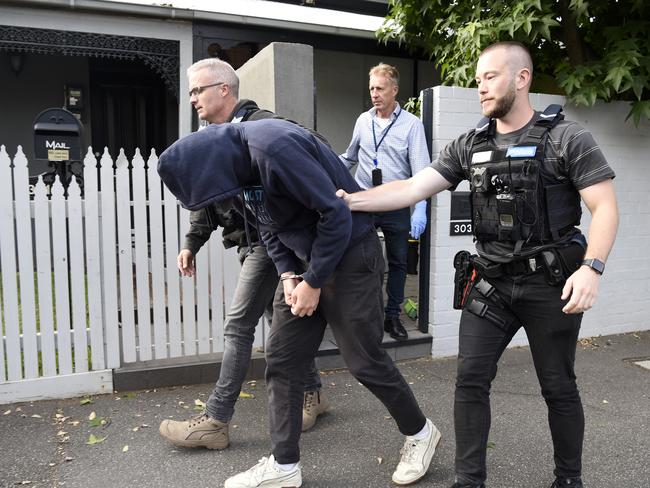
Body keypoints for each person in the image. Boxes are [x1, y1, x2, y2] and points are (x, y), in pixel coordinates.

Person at [336, 41, 618, 488]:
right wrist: (351, 201)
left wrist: (592, 268)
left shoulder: (567, 138)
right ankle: (469, 481)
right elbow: (412, 188)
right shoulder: (470, 143)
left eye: (489, 76)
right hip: (492, 285)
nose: (479, 86)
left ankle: (569, 480)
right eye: (478, 78)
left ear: (521, 79)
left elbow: (604, 208)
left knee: (558, 388)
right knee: (469, 380)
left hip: (550, 285)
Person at [158, 117, 442, 488]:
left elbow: (336, 213)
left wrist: (314, 280)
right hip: (305, 263)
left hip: (351, 253)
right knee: (283, 358)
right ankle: (284, 465)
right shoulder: (233, 169)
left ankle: (421, 433)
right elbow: (266, 227)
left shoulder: (273, 150)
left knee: (363, 360)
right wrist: (291, 276)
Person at [158, 59, 328, 452]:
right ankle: (314, 392)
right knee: (277, 319)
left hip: (272, 242)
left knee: (238, 324)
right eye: (190, 92)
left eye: (198, 90)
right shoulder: (210, 135)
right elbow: (206, 193)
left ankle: (215, 421)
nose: (192, 98)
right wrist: (191, 241)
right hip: (251, 241)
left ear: (224, 90)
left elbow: (305, 158)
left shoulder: (262, 125)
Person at [340, 63, 430, 340]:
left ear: (394, 90)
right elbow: (349, 157)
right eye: (371, 89)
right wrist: (327, 169)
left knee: (399, 262)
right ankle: (367, 316)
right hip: (366, 199)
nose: (374, 94)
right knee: (361, 260)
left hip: (396, 202)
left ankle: (393, 316)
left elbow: (422, 173)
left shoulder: (412, 125)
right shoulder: (362, 121)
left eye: (380, 88)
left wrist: (420, 209)